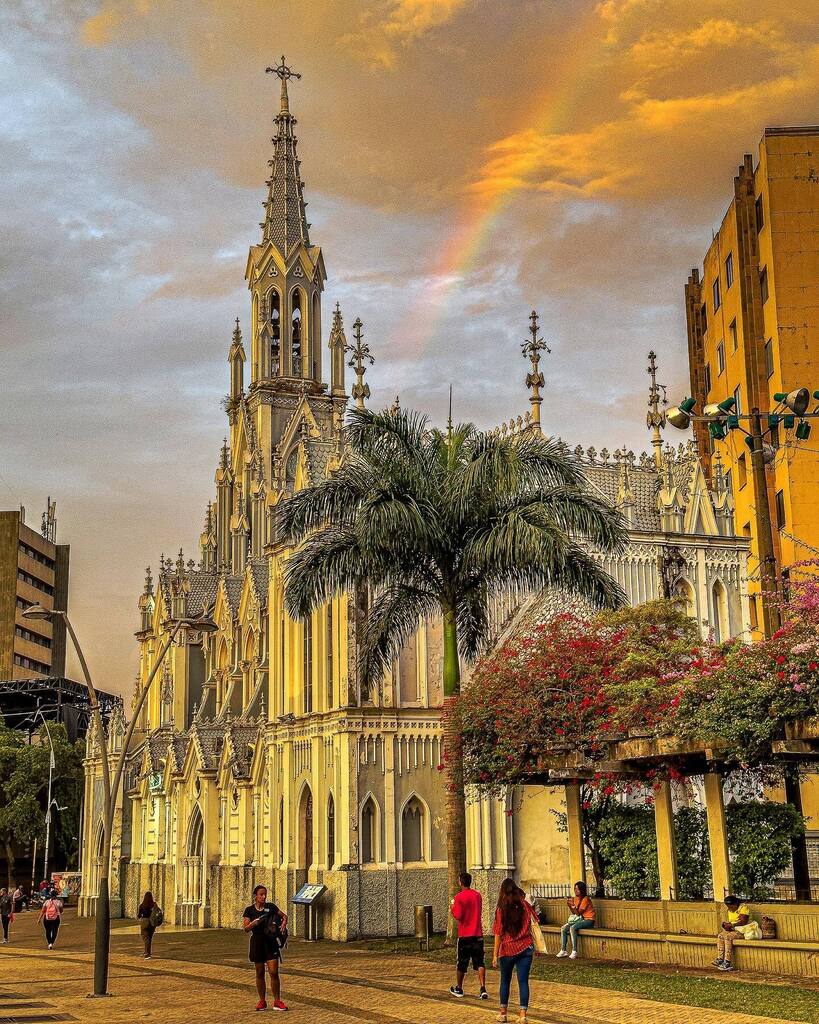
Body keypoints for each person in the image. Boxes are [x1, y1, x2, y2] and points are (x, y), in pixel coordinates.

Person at [492, 877, 539, 1024]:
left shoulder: (501, 909)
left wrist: (494, 955)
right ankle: (523, 1015)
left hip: (507, 949)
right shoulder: (525, 905)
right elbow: (535, 921)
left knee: (505, 981)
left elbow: (498, 933)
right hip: (525, 947)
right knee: (523, 981)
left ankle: (503, 1013)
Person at [243, 885, 288, 1011]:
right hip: (257, 942)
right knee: (260, 972)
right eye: (261, 894)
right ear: (255, 896)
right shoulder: (249, 910)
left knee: (274, 972)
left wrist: (283, 924)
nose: (263, 897)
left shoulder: (271, 907)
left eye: (265, 894)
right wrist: (254, 923)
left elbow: (284, 916)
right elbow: (246, 928)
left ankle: (277, 1001)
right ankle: (262, 1000)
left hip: (270, 941)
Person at [449, 872, 487, 1000]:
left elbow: (459, 915)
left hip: (465, 934)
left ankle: (459, 987)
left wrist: (452, 907)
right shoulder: (477, 896)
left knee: (462, 963)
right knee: (480, 962)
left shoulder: (459, 897)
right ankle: (482, 988)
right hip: (477, 934)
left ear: (460, 882)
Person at [556, 881, 595, 959]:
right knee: (563, 928)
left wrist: (573, 906)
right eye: (575, 889)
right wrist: (570, 906)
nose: (575, 891)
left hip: (589, 920)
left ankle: (574, 951)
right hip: (580, 919)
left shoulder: (586, 899)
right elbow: (574, 913)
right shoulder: (575, 899)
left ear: (582, 890)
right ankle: (563, 950)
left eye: (577, 889)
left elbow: (579, 912)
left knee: (572, 928)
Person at [713, 895, 751, 972]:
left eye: (730, 906)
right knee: (720, 936)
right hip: (733, 929)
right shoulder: (730, 910)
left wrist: (732, 925)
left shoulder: (743, 908)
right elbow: (732, 921)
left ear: (735, 904)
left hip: (743, 930)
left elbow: (743, 922)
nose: (729, 908)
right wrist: (726, 925)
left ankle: (727, 961)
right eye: (728, 906)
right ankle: (720, 958)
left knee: (728, 937)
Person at [137, 891, 159, 959]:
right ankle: (147, 952)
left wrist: (139, 917)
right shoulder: (154, 905)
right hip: (152, 923)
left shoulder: (142, 905)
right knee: (149, 938)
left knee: (146, 938)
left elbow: (139, 915)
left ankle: (147, 954)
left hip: (144, 922)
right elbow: (158, 912)